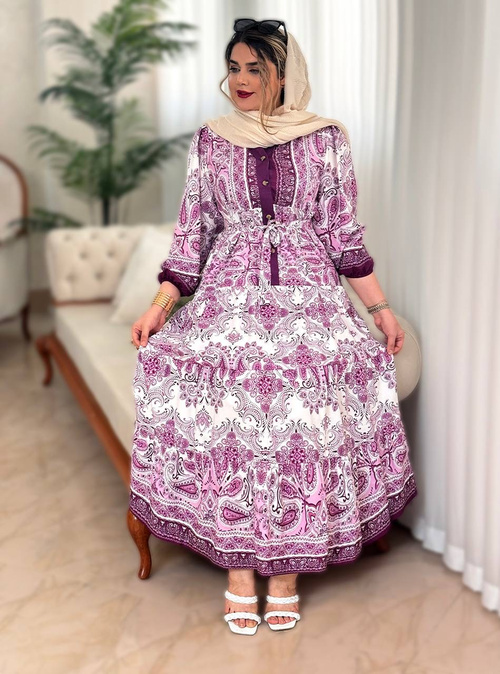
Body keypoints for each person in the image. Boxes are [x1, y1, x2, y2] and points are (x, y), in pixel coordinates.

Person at [129, 18, 418, 636]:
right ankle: (240, 572)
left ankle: (285, 575)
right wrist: (160, 305)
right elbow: (192, 234)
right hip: (228, 296)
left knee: (303, 401)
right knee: (228, 400)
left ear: (284, 75)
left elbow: (343, 235)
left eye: (255, 69)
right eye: (233, 68)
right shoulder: (211, 141)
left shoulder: (326, 139)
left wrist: (380, 310)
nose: (241, 80)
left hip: (310, 295)